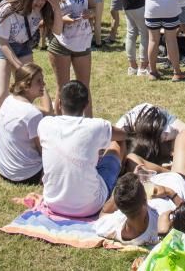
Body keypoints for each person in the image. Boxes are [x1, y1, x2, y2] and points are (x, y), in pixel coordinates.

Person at [0, 0, 62, 164]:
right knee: (0, 94)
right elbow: (2, 42)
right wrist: (20, 68)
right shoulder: (9, 8)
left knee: (36, 87)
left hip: (23, 43)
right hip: (0, 44)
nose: (40, 2)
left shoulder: (43, 8)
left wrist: (56, 7)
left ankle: (42, 131)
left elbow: (58, 30)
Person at [38, 80, 127, 217]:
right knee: (117, 144)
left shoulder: (45, 124)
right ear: (86, 105)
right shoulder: (96, 126)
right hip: (90, 206)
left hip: (53, 201)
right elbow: (122, 135)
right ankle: (121, 170)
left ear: (60, 103)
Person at [48, 0, 95, 116]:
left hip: (83, 42)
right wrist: (63, 19)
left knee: (84, 87)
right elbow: (47, 20)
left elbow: (94, 8)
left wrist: (90, 13)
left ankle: (88, 124)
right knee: (62, 87)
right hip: (61, 43)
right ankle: (58, 124)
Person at [0, 63, 53, 184]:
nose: (44, 84)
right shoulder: (32, 114)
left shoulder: (9, 100)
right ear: (26, 86)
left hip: (3, 170)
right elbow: (44, 150)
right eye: (39, 81)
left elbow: (46, 111)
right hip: (27, 175)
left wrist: (39, 86)